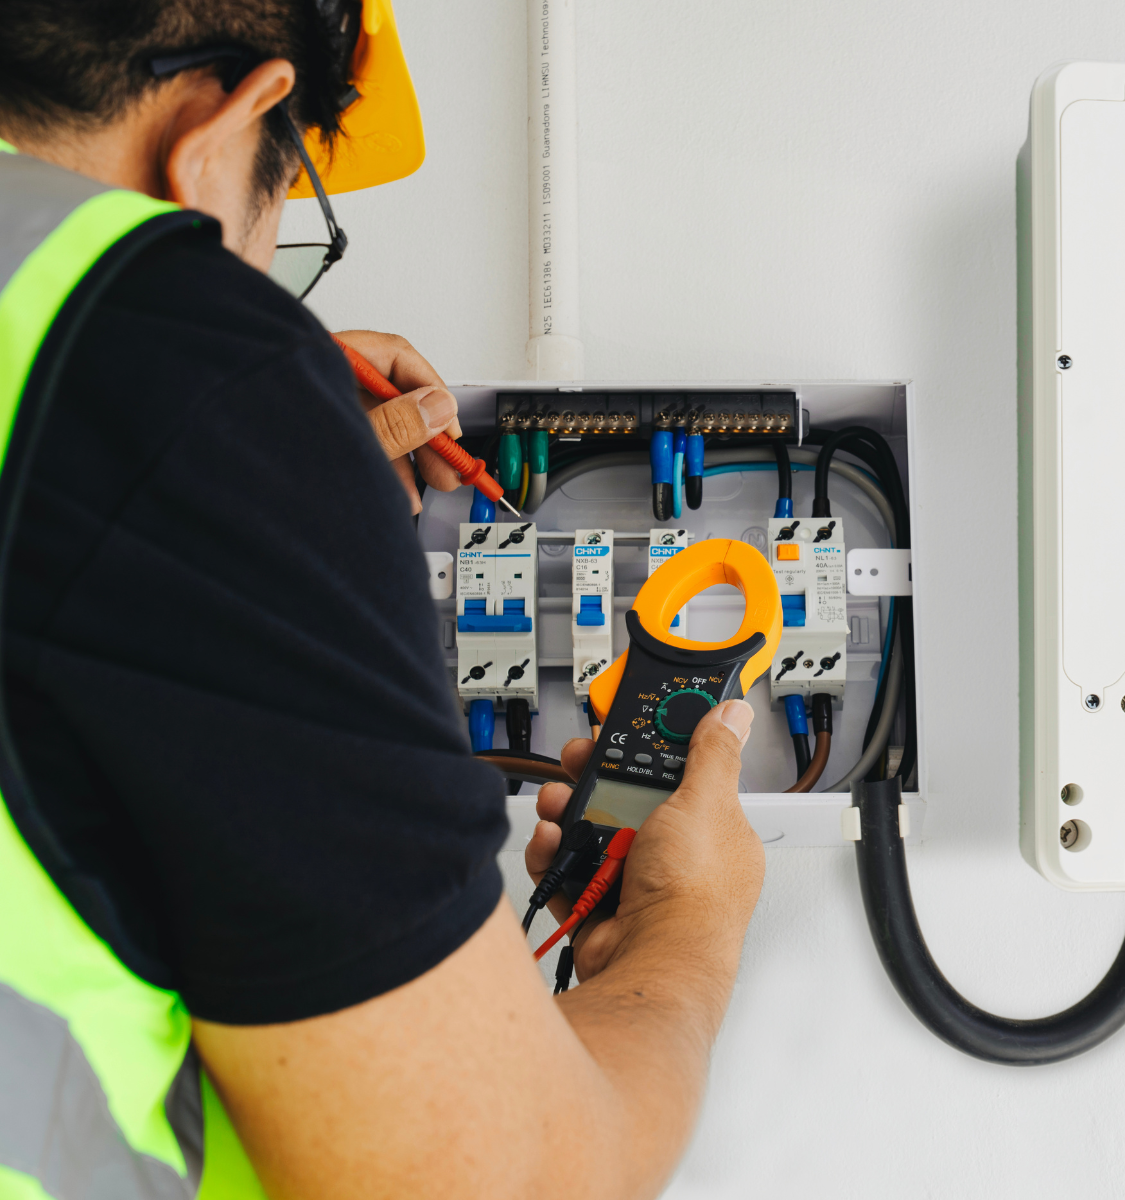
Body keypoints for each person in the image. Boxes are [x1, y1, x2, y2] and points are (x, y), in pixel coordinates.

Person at [0, 3, 764, 1197]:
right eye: (284, 218)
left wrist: (232, 495)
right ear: (225, 126)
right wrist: (685, 940)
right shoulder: (176, 370)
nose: (262, 285)